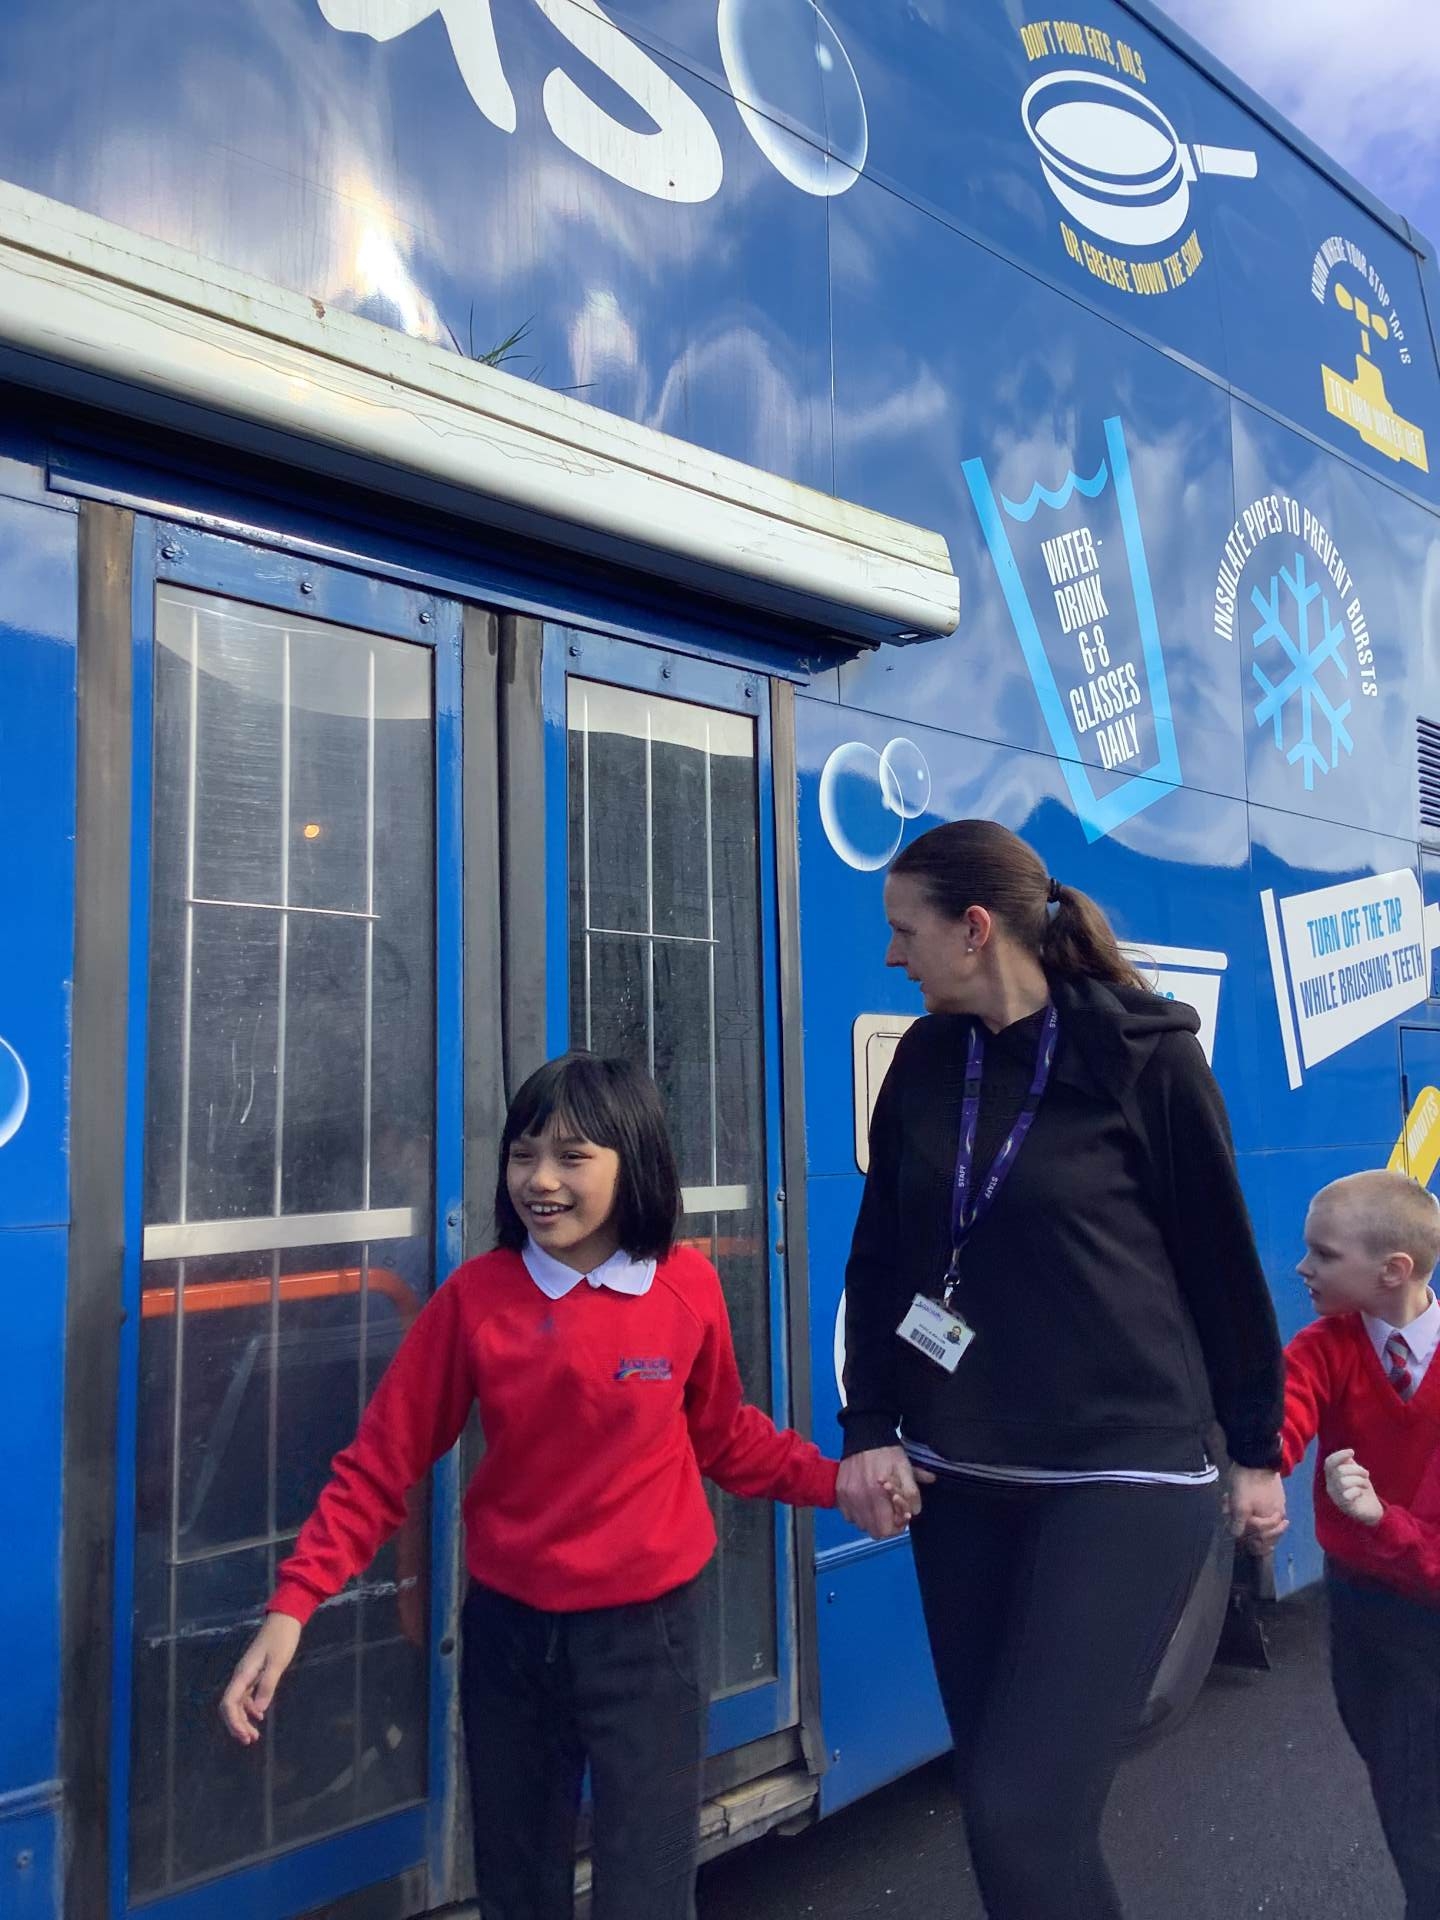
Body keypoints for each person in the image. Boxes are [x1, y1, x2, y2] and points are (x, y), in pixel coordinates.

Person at [220, 1052, 855, 1920]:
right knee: (518, 1892)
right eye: (524, 1155)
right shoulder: (477, 1298)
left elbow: (726, 1438)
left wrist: (837, 1483)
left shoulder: (685, 1285)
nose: (540, 1180)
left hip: (650, 1643)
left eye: (571, 1157)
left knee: (647, 1896)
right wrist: (294, 1606)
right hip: (511, 1639)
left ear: (635, 1164)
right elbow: (380, 1462)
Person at [835, 818, 1286, 1920]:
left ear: (973, 928)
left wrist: (1256, 1448)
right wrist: (869, 1426)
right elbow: (882, 1253)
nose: (892, 954)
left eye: (905, 930)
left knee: (1024, 1810)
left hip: (1123, 1475)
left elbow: (1222, 1260)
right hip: (961, 1477)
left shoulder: (1144, 1057)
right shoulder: (926, 1062)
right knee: (1002, 1806)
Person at [1283, 1168, 1440, 1917]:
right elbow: (1284, 1409)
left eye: (1323, 1253)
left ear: (1392, 1270)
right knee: (1391, 1763)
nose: (1302, 1267)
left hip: (1427, 1601)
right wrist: (1256, 1467)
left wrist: (1383, 1520)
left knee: (1415, 1802)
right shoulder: (1328, 1345)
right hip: (1362, 1602)